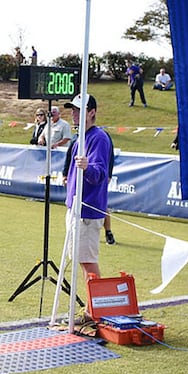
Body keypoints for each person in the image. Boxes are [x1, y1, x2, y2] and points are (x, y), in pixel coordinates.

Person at [62, 93, 112, 280]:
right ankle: (93, 306)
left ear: (91, 112)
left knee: (87, 261)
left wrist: (87, 167)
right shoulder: (81, 138)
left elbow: (99, 174)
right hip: (76, 208)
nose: (74, 114)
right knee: (81, 259)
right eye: (73, 110)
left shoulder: (98, 138)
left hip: (87, 211)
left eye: (79, 110)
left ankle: (95, 307)